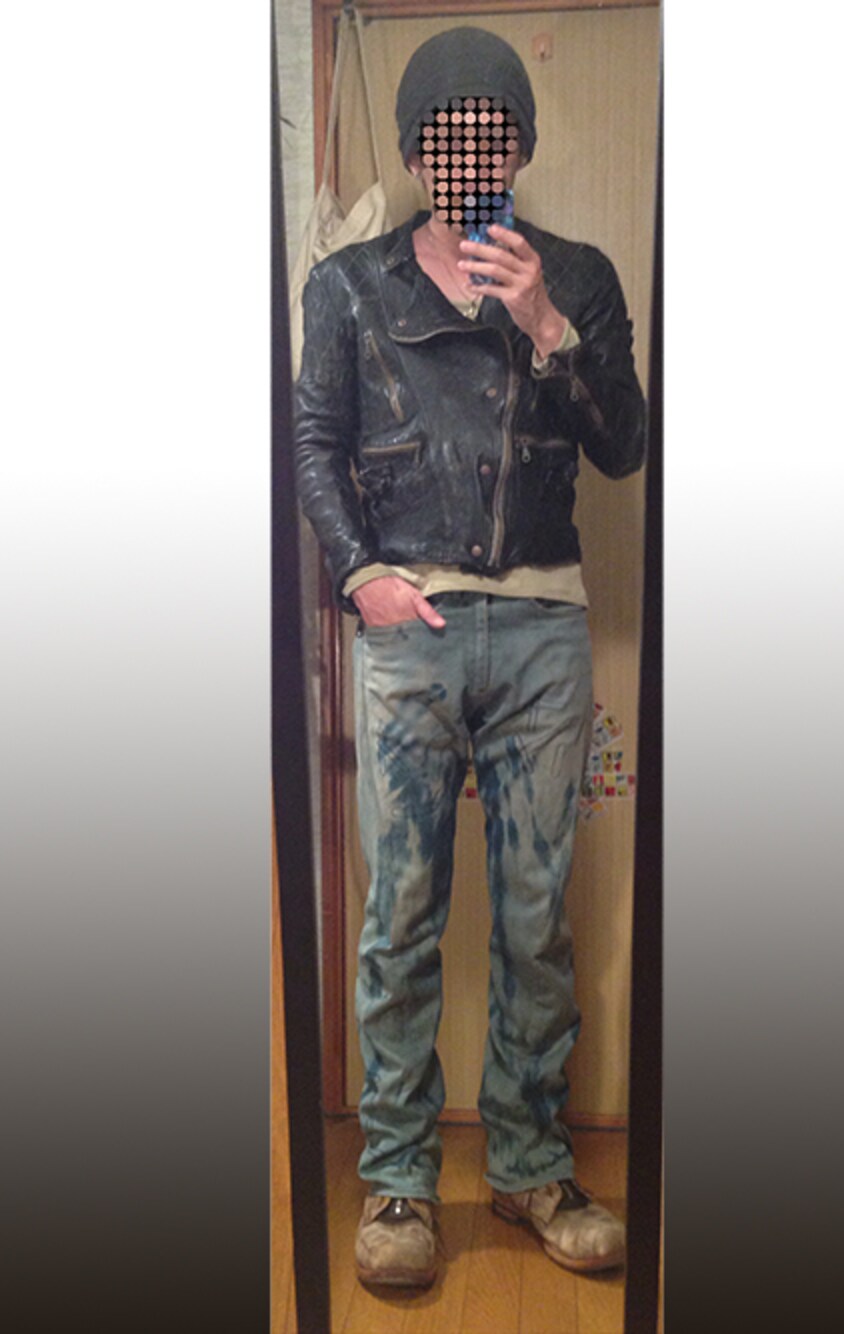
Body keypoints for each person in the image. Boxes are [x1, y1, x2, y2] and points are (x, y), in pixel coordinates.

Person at [294, 26, 646, 1289]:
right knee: (398, 912)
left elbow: (625, 448)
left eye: (494, 133)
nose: (472, 154)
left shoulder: (579, 276)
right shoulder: (347, 285)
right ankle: (397, 1176)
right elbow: (314, 437)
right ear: (413, 148)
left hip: (545, 624)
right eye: (446, 134)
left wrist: (546, 320)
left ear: (520, 146)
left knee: (536, 916)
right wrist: (360, 573)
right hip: (412, 628)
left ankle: (529, 1161)